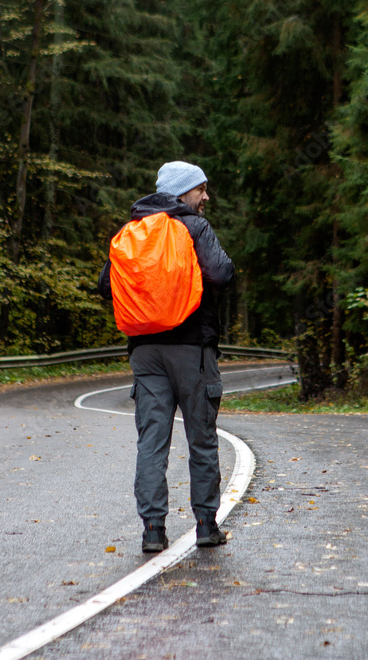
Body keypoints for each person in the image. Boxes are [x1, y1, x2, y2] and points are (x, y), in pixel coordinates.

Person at [99, 161, 235, 553]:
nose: (206, 196)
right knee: (201, 441)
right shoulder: (194, 227)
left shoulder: (132, 231)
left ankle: (153, 531)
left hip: (145, 352)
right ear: (181, 192)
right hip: (192, 349)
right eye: (200, 189)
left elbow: (106, 284)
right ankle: (206, 526)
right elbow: (222, 274)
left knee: (152, 444)